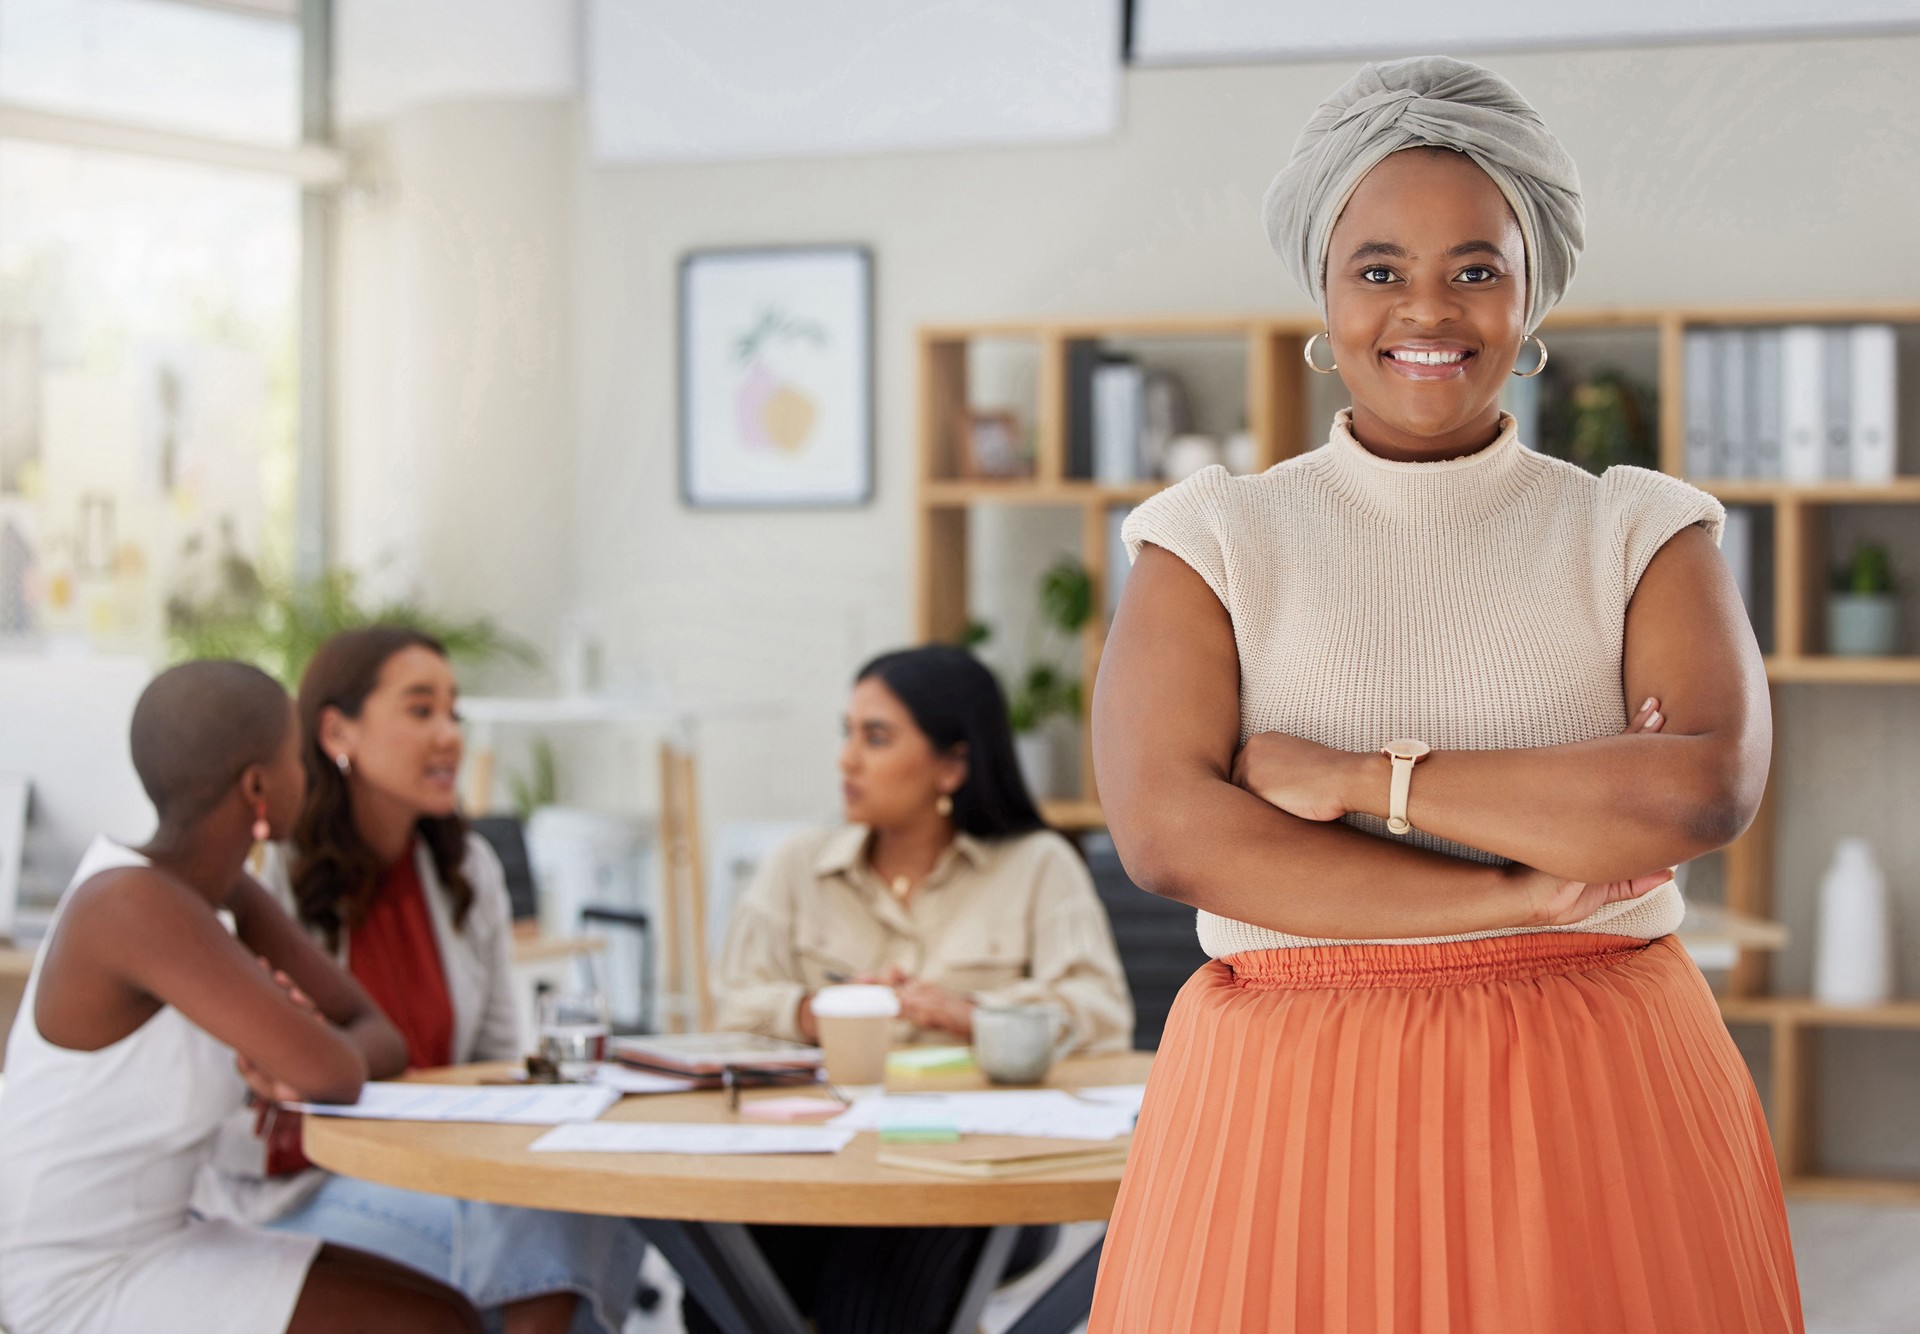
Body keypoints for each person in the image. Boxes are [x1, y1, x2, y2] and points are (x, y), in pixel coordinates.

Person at [1087, 56, 1802, 1333]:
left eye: (1477, 267)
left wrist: (1359, 781)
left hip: (1597, 1100)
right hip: (1289, 1108)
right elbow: (1172, 834)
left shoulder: (1639, 530)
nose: (1430, 308)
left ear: (1532, 295)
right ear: (1324, 289)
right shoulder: (1214, 537)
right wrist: (1524, 878)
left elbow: (1695, 789)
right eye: (1380, 269)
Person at [0, 659, 480, 1334]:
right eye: (296, 759)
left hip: (164, 1239)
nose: (310, 778)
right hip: (72, 1281)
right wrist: (298, 1044)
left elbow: (378, 1036)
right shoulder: (130, 903)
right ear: (257, 785)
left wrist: (296, 1046)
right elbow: (337, 1070)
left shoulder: (219, 890)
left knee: (450, 1312)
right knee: (431, 1327)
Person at [194, 627, 643, 1334]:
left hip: (445, 1165)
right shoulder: (271, 872)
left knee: (590, 1207)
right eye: (420, 709)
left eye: (454, 713)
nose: (448, 737)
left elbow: (499, 1060)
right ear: (337, 730)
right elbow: (250, 1077)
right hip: (302, 1181)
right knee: (539, 1253)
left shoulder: (469, 871)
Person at [691, 643, 1133, 1334]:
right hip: (816, 1165)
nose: (846, 759)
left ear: (952, 763)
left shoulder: (1038, 866)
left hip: (975, 1169)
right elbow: (729, 1006)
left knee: (885, 1279)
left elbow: (1102, 1018)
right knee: (716, 1281)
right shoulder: (796, 867)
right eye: (847, 734)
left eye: (875, 737)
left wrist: (971, 1014)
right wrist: (814, 1013)